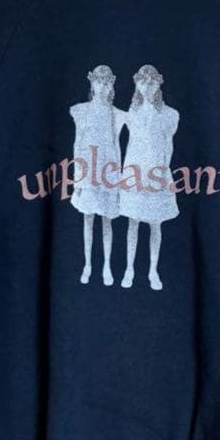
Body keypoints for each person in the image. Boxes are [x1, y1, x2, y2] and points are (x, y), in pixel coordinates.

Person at [118, 64, 180, 291]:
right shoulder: (131, 113)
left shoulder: (170, 114)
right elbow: (131, 145)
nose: (147, 86)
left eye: (151, 82)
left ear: (158, 85)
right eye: (142, 82)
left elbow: (168, 146)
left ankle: (153, 270)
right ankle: (129, 269)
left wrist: (162, 173)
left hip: (157, 173)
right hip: (135, 172)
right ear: (137, 85)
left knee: (155, 224)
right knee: (132, 223)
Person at [69, 64, 124, 285]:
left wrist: (118, 180)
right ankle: (88, 265)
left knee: (107, 221)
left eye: (106, 82)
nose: (102, 86)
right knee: (88, 219)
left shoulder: (116, 114)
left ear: (111, 86)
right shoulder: (80, 111)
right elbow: (77, 145)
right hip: (88, 171)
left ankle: (106, 266)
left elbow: (117, 147)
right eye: (99, 82)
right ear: (92, 84)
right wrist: (77, 179)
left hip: (108, 172)